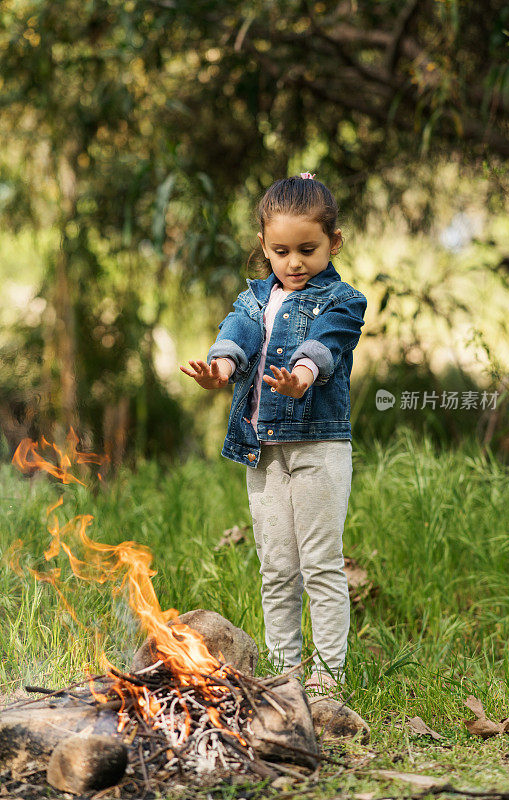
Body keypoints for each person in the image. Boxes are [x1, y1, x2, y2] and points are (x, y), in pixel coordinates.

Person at [180, 174, 367, 695]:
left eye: (308, 249)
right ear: (264, 244)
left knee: (320, 564)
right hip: (261, 448)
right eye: (281, 250)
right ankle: (286, 678)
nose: (294, 262)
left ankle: (330, 681)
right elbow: (234, 337)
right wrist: (219, 369)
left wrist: (301, 376)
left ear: (334, 242)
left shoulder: (344, 300)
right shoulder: (252, 299)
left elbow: (324, 345)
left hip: (317, 448)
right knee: (277, 566)